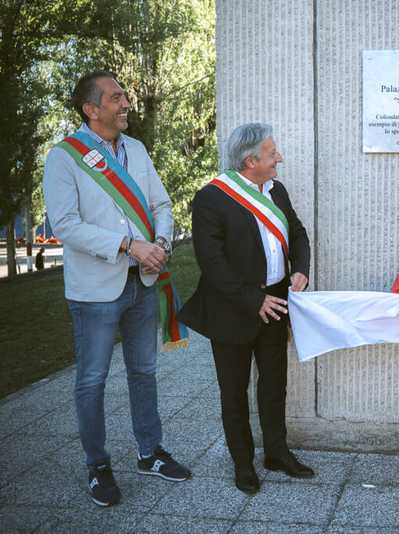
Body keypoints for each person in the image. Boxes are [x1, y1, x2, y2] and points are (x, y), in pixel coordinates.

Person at [43, 71, 191, 508]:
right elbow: (65, 225)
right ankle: (98, 466)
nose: (126, 103)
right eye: (116, 97)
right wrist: (128, 245)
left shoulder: (138, 150)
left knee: (144, 372)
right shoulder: (65, 157)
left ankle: (150, 453)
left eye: (124, 95)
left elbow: (161, 204)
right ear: (91, 109)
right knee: (92, 380)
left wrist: (160, 244)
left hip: (143, 282)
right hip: (95, 291)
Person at [178, 122, 313, 495]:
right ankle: (242, 463)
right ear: (251, 160)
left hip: (277, 301)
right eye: (272, 153)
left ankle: (277, 453)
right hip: (233, 309)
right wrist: (255, 300)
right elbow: (212, 262)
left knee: (274, 384)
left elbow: (297, 233)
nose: (279, 158)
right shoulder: (212, 198)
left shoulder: (277, 190)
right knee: (233, 391)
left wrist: (300, 269)